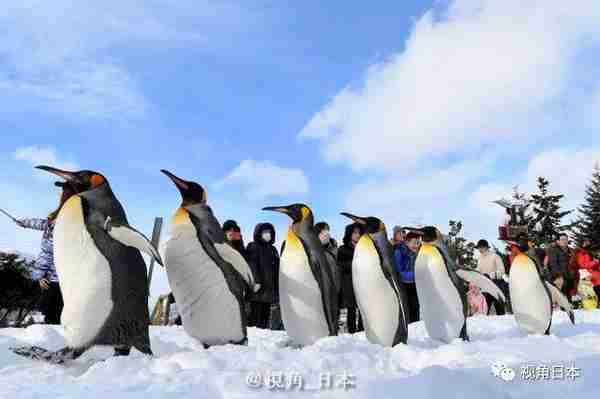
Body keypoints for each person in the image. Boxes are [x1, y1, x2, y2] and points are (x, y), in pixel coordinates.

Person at [15, 182, 74, 324]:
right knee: (52, 313)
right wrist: (24, 222)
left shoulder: (64, 221)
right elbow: (41, 224)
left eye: (66, 191)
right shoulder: (54, 220)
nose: (62, 194)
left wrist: (41, 274)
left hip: (61, 278)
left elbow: (49, 250)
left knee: (56, 312)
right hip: (56, 278)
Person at [246, 223, 279, 329]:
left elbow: (277, 268)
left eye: (269, 232)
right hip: (258, 290)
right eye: (264, 232)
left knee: (265, 317)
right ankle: (252, 338)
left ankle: (263, 335)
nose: (267, 234)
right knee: (255, 316)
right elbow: (252, 263)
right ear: (258, 233)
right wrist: (256, 281)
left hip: (269, 290)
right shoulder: (253, 246)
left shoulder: (273, 250)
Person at [338, 223, 364, 334]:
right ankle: (352, 332)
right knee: (351, 309)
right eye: (354, 233)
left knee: (363, 307)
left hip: (363, 281)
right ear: (349, 234)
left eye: (359, 233)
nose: (357, 235)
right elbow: (340, 264)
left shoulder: (364, 248)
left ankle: (363, 331)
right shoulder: (343, 249)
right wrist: (355, 263)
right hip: (349, 282)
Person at [394, 231, 420, 323]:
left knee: (415, 307)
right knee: (406, 308)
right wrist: (416, 274)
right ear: (406, 242)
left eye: (418, 243)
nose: (416, 245)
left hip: (414, 284)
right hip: (403, 285)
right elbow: (398, 271)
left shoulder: (418, 254)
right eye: (414, 242)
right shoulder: (399, 252)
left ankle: (415, 327)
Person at [475, 239, 506, 315]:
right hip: (485, 287)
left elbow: (502, 270)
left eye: (481, 247)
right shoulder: (479, 259)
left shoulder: (495, 256)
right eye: (478, 248)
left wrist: (491, 275)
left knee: (500, 311)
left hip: (496, 285)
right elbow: (478, 271)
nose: (479, 249)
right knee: (484, 311)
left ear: (486, 247)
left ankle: (503, 325)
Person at [315, 222, 340, 296]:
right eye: (323, 231)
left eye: (327, 230)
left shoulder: (335, 250)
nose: (326, 233)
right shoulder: (313, 252)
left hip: (336, 290)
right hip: (320, 291)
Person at [546, 233, 573, 300]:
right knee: (561, 291)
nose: (565, 241)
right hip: (558, 276)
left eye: (566, 239)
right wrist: (559, 275)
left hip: (569, 275)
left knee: (569, 291)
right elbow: (553, 264)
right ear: (557, 241)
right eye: (562, 239)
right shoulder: (553, 250)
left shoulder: (570, 250)